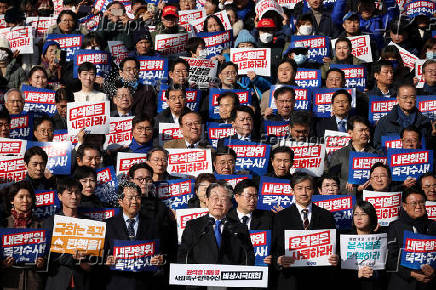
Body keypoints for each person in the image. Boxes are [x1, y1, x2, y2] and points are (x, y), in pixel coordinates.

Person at [271, 173, 338, 290]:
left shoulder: (326, 216)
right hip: (290, 280)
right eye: (299, 188)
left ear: (314, 190)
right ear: (292, 191)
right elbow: (273, 249)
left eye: (308, 188)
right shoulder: (280, 217)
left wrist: (336, 257)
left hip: (320, 279)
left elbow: (336, 247)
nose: (304, 193)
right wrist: (279, 260)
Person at [104, 181, 165, 290]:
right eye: (130, 198)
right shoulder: (108, 225)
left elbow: (162, 251)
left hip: (145, 284)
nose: (135, 201)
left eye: (137, 197)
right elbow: (100, 254)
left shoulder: (152, 224)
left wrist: (160, 259)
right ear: (120, 201)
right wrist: (106, 261)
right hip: (116, 283)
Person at [177, 180, 255, 265]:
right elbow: (184, 257)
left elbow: (248, 258)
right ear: (206, 201)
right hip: (201, 276)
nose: (218, 203)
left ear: (230, 204)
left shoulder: (240, 229)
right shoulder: (193, 226)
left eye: (223, 199)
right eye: (215, 198)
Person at [43, 178, 92, 290]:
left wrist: (86, 261)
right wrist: (74, 258)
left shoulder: (89, 223)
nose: (74, 197)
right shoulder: (50, 222)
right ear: (60, 196)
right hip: (57, 281)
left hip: (82, 281)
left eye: (77, 193)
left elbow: (95, 253)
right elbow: (49, 253)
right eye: (69, 193)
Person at [386, 187, 436, 290]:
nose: (418, 206)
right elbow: (390, 259)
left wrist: (434, 272)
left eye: (422, 202)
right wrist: (411, 274)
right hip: (402, 283)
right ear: (404, 206)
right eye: (413, 203)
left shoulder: (433, 226)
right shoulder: (395, 226)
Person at [0, 181, 45, 290]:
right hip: (9, 282)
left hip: (33, 282)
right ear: (12, 200)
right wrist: (2, 264)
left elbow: (47, 254)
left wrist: (42, 262)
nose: (25, 200)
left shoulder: (41, 225)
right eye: (21, 197)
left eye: (28, 196)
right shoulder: (3, 225)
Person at [340, 200, 387, 290]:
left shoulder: (381, 239)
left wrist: (375, 273)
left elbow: (388, 269)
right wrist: (357, 274)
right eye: (356, 214)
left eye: (363, 214)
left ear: (371, 217)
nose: (359, 218)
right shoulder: (344, 240)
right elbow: (341, 272)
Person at [373, 84, 434, 151]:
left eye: (412, 97)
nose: (409, 101)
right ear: (397, 99)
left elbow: (430, 148)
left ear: (416, 98)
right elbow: (377, 145)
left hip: (419, 160)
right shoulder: (384, 122)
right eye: (405, 97)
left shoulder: (425, 122)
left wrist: (433, 136)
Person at [328, 116, 377, 195]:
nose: (364, 133)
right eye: (361, 130)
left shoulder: (376, 154)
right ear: (350, 133)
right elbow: (331, 179)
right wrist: (352, 186)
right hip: (347, 198)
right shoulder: (339, 154)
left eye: (367, 130)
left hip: (370, 198)